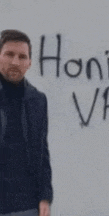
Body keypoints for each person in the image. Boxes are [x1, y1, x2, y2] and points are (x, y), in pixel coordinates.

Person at [0, 30, 53, 216]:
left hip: (27, 206)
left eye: (22, 56)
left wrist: (45, 198)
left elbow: (42, 152)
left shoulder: (37, 100)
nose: (15, 62)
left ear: (29, 63)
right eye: (9, 54)